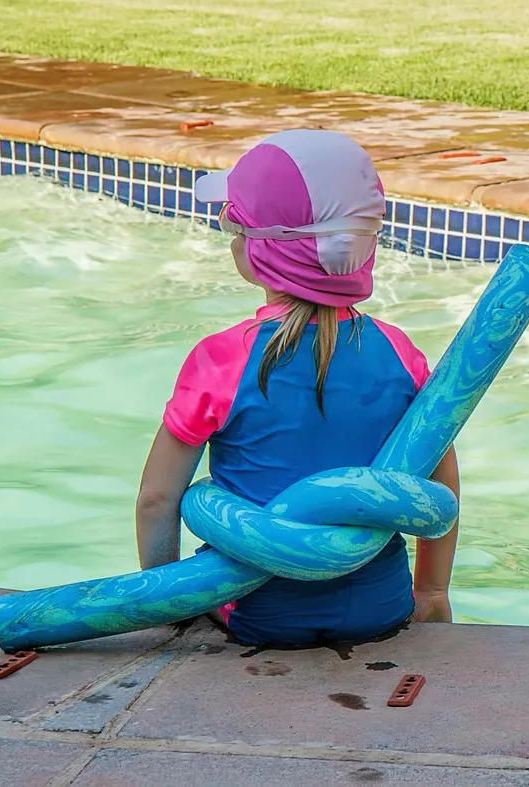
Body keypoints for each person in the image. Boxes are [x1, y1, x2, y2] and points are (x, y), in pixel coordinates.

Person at [133, 129, 458, 645]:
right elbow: (438, 491)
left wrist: (167, 602)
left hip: (258, 612)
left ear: (264, 251)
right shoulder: (402, 354)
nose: (232, 237)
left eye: (235, 226)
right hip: (382, 606)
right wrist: (434, 594)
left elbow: (156, 500)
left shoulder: (222, 359)